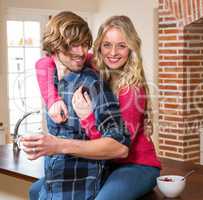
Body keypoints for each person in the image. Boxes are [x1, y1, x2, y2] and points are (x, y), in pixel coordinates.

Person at [27, 15, 162, 200]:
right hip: (105, 163)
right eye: (107, 45)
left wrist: (87, 118)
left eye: (121, 45)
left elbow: (118, 150)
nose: (113, 52)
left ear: (131, 48)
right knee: (36, 190)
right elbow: (45, 62)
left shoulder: (131, 90)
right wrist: (52, 99)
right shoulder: (94, 64)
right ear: (99, 46)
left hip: (134, 164)